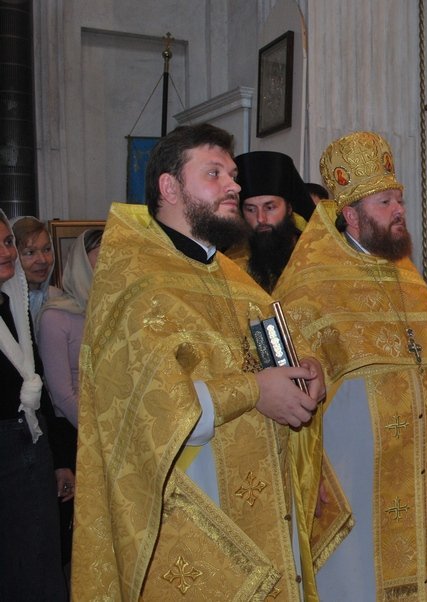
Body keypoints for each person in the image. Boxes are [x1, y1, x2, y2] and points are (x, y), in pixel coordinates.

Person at [71, 123, 326, 601]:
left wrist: (304, 368)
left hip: (263, 506)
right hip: (193, 521)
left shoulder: (232, 276)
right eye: (214, 174)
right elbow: (151, 414)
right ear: (170, 187)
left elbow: (268, 351)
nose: (234, 187)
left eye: (232, 176)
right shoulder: (138, 283)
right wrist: (256, 391)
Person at [273, 131, 427, 601]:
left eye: (398, 200)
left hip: (418, 477)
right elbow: (287, 391)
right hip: (355, 482)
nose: (399, 210)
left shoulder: (405, 273)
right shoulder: (309, 283)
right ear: (351, 215)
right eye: (385, 203)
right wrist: (308, 472)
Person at [0, 209, 71, 601]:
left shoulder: (14, 304)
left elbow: (37, 386)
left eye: (8, 242)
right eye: (21, 248)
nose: (6, 253)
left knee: (41, 561)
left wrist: (58, 460)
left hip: (31, 446)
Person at [36, 228, 102, 427]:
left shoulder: (113, 311)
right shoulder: (56, 317)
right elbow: (62, 395)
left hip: (113, 423)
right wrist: (95, 434)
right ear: (81, 262)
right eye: (103, 254)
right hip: (74, 426)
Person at [230, 150, 315, 292]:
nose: (260, 218)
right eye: (250, 209)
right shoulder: (232, 264)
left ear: (289, 208)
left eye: (269, 207)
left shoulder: (315, 254)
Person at [11, 216, 61, 322]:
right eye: (30, 253)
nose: (42, 260)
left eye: (47, 249)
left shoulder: (58, 299)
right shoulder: (6, 306)